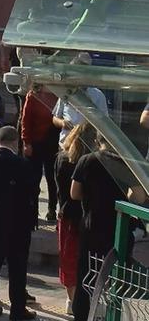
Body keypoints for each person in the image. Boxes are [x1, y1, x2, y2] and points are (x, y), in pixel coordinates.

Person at [70, 133, 147, 321]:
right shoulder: (123, 163)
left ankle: (82, 315)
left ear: (97, 142)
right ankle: (112, 313)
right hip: (117, 230)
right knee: (116, 277)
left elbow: (74, 193)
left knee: (86, 276)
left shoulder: (86, 160)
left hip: (91, 227)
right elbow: (140, 196)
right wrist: (121, 200)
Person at [0, 126, 37, 320]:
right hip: (18, 225)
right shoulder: (23, 164)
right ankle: (18, 310)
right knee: (18, 269)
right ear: (16, 143)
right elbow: (32, 193)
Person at [55, 123, 95, 316]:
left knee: (67, 258)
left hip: (65, 214)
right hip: (83, 216)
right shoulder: (89, 162)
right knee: (82, 260)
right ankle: (79, 300)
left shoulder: (62, 158)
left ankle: (70, 298)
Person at [21, 83, 61, 223]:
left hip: (53, 142)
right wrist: (26, 142)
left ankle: (52, 209)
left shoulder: (59, 95)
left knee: (52, 177)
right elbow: (25, 121)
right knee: (34, 177)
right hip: (36, 142)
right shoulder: (32, 96)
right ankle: (33, 210)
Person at [52, 54, 108, 148]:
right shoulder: (66, 92)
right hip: (66, 145)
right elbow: (55, 118)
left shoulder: (98, 95)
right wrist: (62, 123)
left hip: (88, 147)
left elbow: (105, 123)